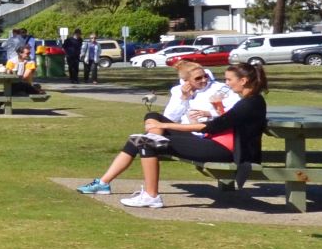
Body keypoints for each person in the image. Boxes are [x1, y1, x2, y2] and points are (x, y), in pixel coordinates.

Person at [80, 62, 267, 208]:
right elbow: (225, 121)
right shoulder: (249, 101)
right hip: (215, 142)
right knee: (140, 139)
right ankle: (106, 183)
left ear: (243, 81)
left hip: (224, 149)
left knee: (147, 141)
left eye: (229, 80)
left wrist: (165, 125)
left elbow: (211, 127)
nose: (225, 83)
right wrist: (212, 106)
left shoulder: (250, 103)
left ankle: (151, 196)